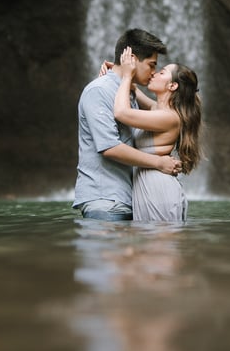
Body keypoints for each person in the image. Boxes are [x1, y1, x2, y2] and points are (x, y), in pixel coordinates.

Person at [72, 29, 182, 221]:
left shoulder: (127, 92)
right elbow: (109, 147)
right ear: (131, 59)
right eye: (151, 65)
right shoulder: (99, 91)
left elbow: (155, 112)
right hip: (105, 201)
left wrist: (126, 78)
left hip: (127, 200)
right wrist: (159, 163)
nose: (153, 72)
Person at [114, 46, 202, 221]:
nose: (154, 74)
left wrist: (125, 76)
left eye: (161, 72)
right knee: (152, 246)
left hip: (159, 188)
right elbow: (133, 90)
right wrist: (116, 70)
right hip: (149, 182)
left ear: (172, 85)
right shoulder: (157, 108)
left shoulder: (169, 117)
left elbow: (121, 113)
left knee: (161, 247)